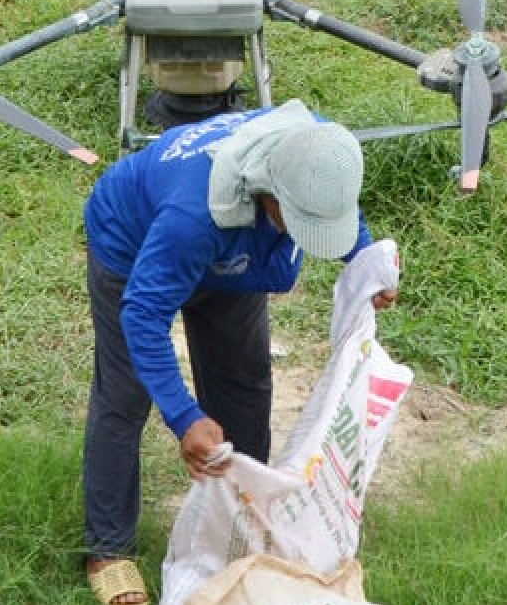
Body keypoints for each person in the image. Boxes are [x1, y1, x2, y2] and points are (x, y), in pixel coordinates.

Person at [80, 99, 397, 605]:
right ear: (271, 196)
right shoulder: (194, 216)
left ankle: (237, 525)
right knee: (125, 397)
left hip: (230, 260)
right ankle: (108, 547)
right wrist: (184, 417)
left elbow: (338, 209)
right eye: (300, 222)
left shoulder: (319, 153)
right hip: (133, 246)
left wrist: (363, 259)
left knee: (244, 390)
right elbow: (142, 315)